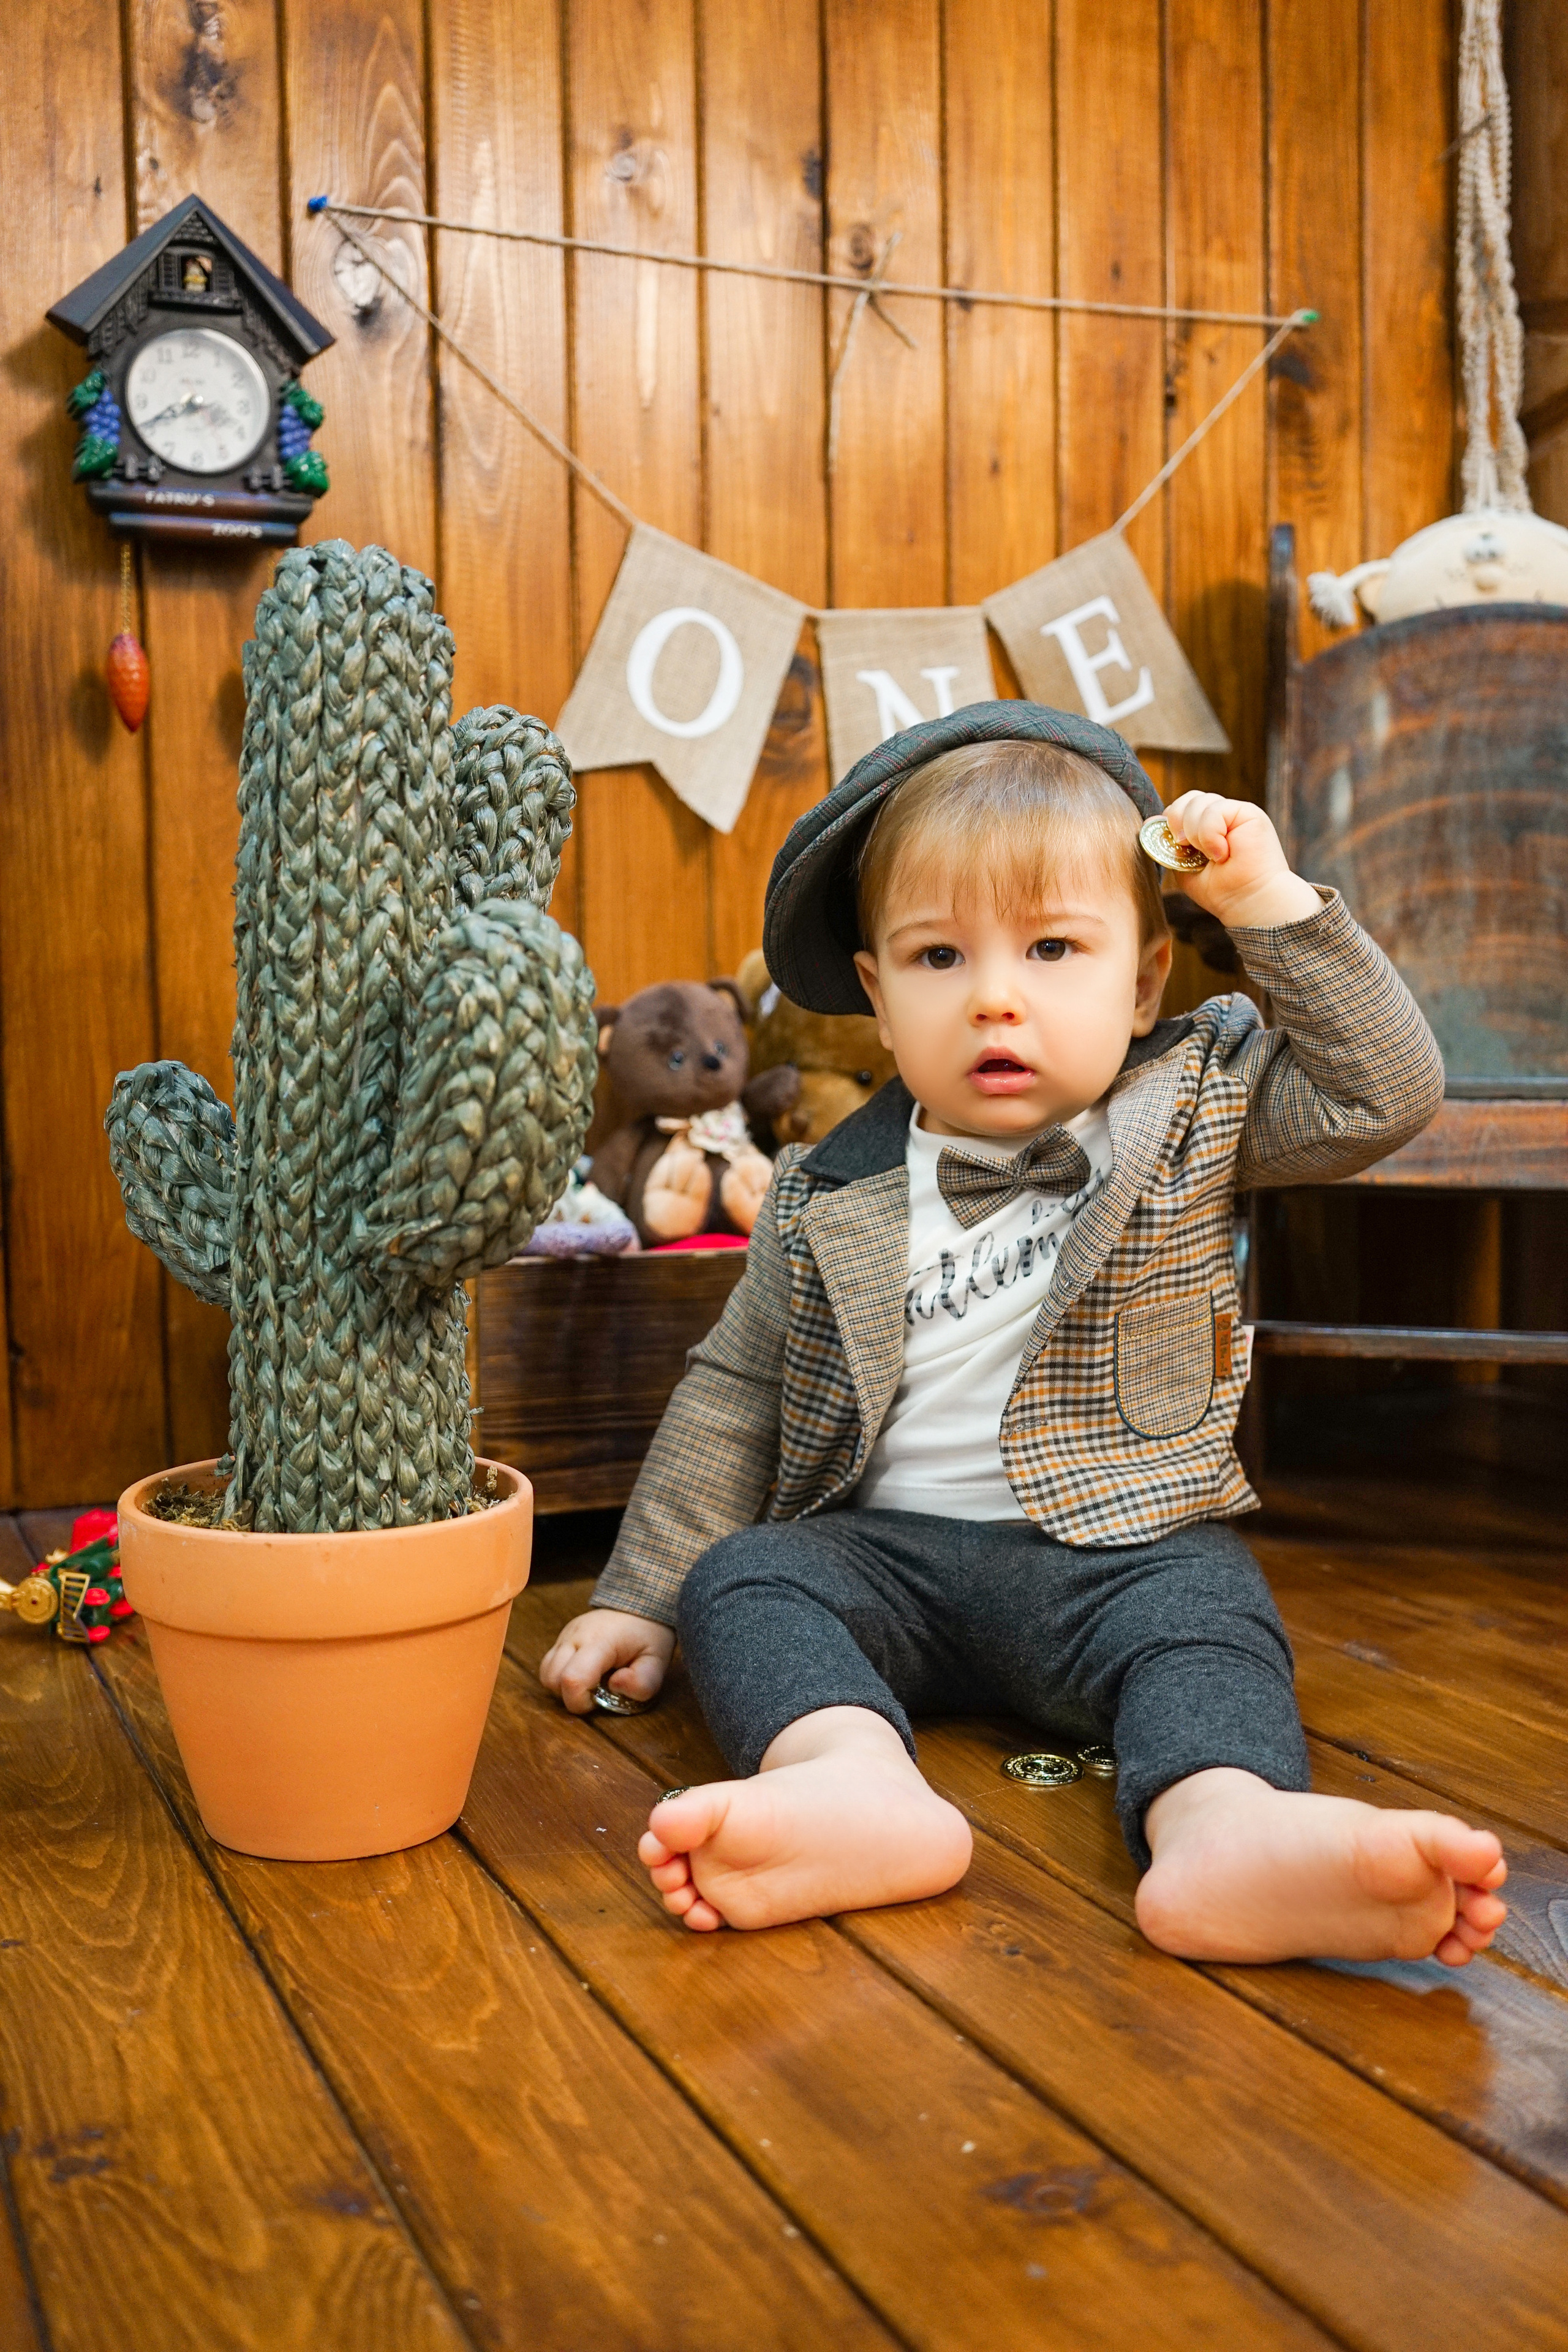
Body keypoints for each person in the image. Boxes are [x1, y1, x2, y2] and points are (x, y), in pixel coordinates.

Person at [540, 702, 1509, 1966]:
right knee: (749, 1580)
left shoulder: (1196, 1104)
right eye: (939, 961)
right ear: (880, 1001)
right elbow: (732, 1391)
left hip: (1121, 1552)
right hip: (886, 1559)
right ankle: (849, 1780)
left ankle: (1223, 1825)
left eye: (1053, 948)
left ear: (1144, 975)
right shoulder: (827, 1189)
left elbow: (1385, 1090)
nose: (995, 998)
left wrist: (1266, 901)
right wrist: (638, 1593)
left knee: (1209, 1619)